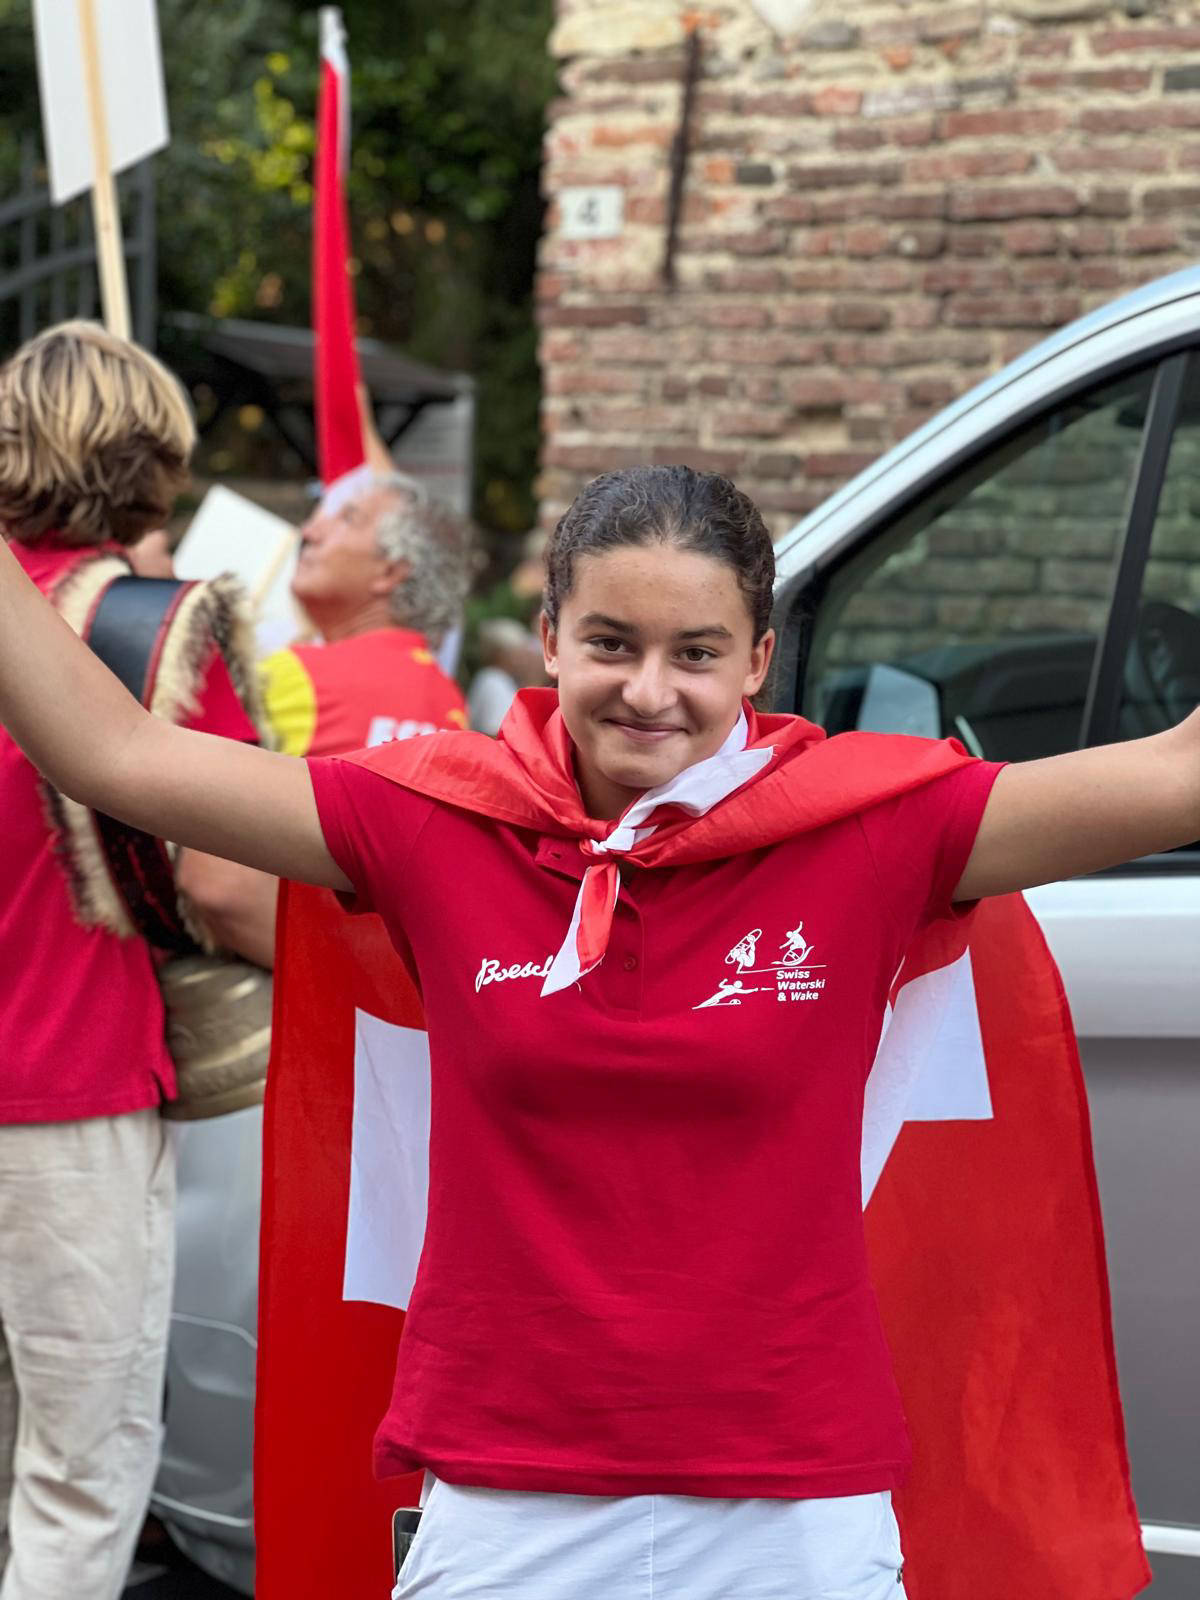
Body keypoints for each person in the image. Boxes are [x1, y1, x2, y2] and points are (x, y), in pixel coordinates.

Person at [1, 463, 1197, 1600]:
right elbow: (116, 753)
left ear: (758, 659)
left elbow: (1178, 771)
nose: (650, 691)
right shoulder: (436, 818)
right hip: (506, 1497)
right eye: (611, 643)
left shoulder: (874, 823)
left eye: (697, 653)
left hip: (792, 1504)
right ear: (552, 639)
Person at [0, 321, 261, 1600]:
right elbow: (227, 878)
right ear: (150, 459)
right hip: (67, 1081)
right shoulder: (156, 631)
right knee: (80, 1470)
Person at [177, 470, 472, 968]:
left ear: (389, 572)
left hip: (279, 973)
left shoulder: (293, 674)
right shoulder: (451, 705)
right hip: (390, 981)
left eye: (346, 519)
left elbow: (217, 885)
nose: (310, 532)